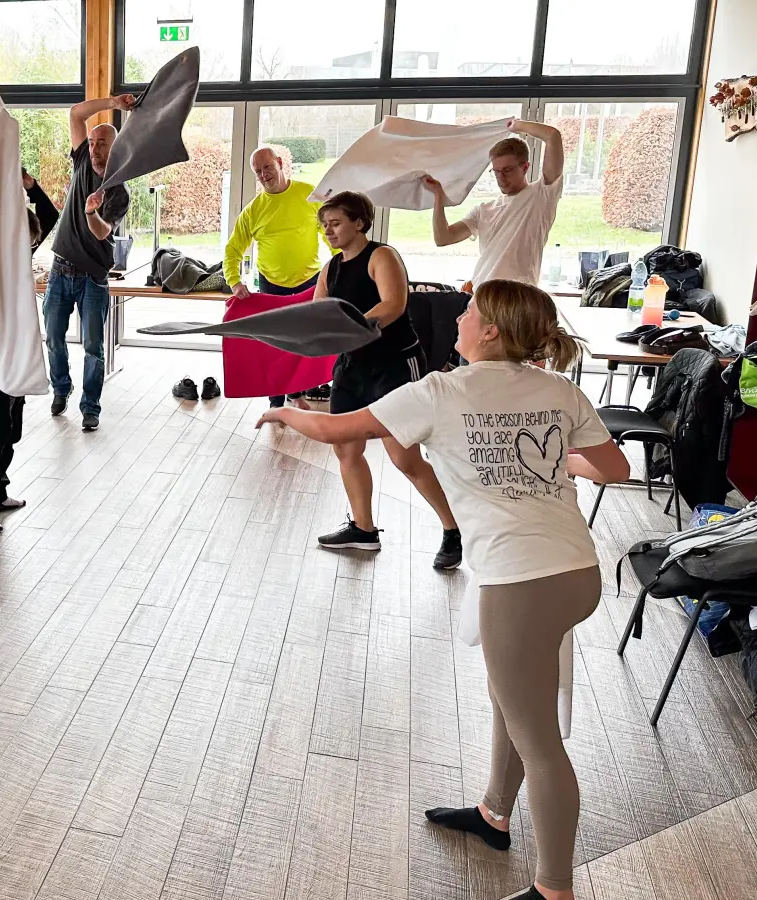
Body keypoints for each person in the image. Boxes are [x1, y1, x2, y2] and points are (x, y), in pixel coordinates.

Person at [256, 280, 630, 900]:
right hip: (574, 571)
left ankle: (554, 890)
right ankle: (492, 815)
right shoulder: (559, 390)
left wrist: (279, 409)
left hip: (520, 581)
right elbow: (613, 470)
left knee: (539, 740)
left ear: (491, 332)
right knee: (515, 698)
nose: (460, 313)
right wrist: (549, 461)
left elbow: (334, 429)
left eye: (472, 309)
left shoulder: (441, 391)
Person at [291, 190, 462, 569]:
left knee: (404, 457)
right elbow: (319, 311)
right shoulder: (331, 268)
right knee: (346, 448)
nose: (329, 232)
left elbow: (393, 304)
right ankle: (363, 530)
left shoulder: (382, 256)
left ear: (359, 222)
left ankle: (454, 530)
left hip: (394, 365)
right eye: (325, 226)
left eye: (335, 224)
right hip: (352, 367)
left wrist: (351, 327)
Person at [0, 170, 60, 533]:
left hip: (18, 356)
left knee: (12, 430)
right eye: (23, 242)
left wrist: (30, 187)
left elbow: (50, 216)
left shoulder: (24, 251)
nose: (29, 248)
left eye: (32, 243)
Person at [45, 94, 137, 433]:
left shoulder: (118, 190)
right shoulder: (82, 159)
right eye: (94, 141)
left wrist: (90, 211)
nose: (95, 147)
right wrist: (114, 101)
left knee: (93, 348)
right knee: (53, 338)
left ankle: (90, 408)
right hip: (60, 270)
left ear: (115, 150)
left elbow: (101, 232)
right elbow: (75, 113)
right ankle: (61, 388)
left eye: (103, 143)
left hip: (93, 278)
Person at [223, 146, 329, 408]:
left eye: (267, 167)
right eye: (258, 171)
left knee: (306, 341)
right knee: (276, 344)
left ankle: (298, 392)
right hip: (271, 285)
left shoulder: (309, 194)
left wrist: (346, 264)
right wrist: (234, 281)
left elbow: (331, 234)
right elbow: (233, 249)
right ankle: (276, 402)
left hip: (310, 282)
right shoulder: (254, 210)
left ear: (280, 163)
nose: (264, 174)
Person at [424, 120, 566, 288]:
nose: (501, 177)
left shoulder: (541, 196)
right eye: (496, 171)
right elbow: (443, 238)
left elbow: (553, 136)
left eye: (507, 170)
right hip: (481, 297)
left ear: (525, 167)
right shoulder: (483, 210)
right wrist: (438, 197)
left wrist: (516, 126)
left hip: (516, 298)